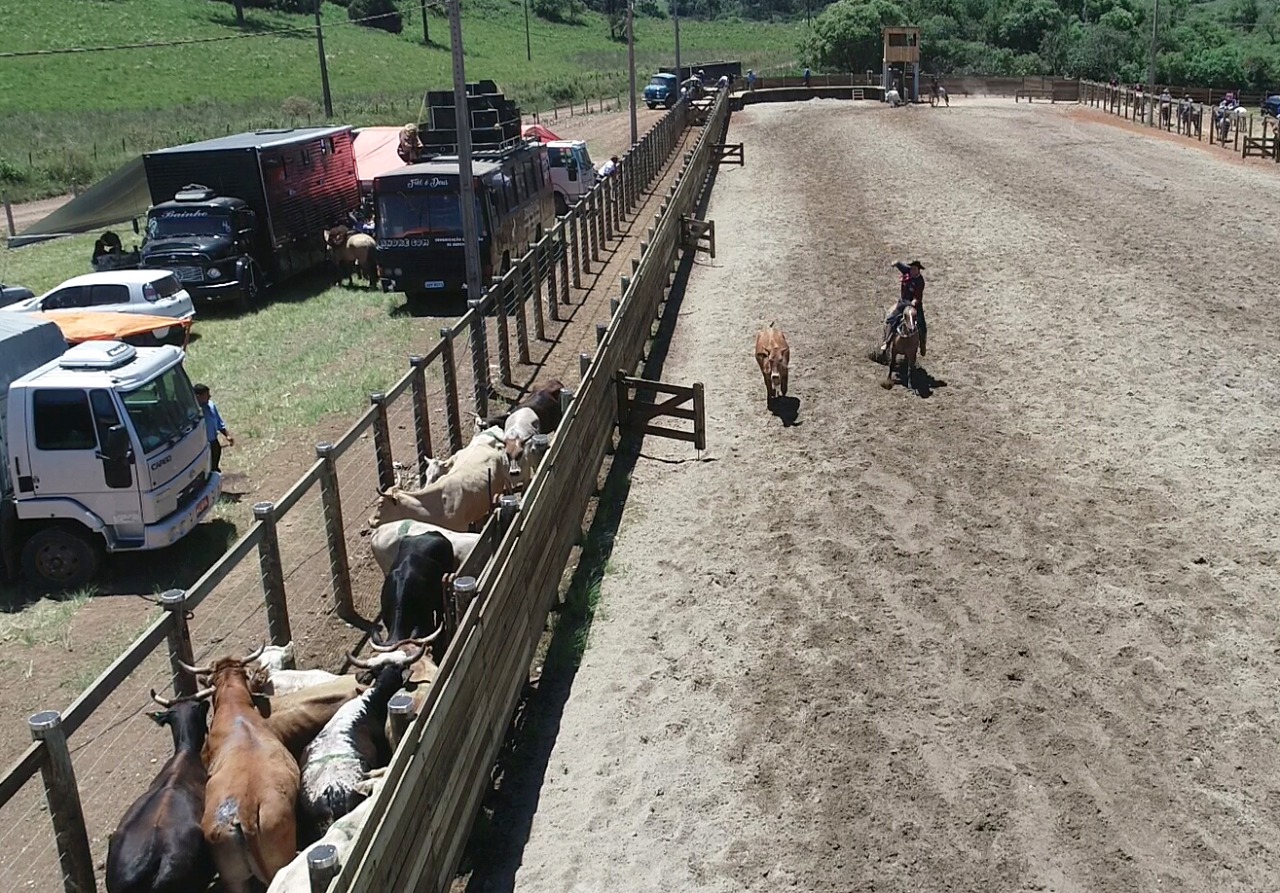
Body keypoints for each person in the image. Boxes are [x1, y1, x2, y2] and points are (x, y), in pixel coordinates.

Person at [881, 261, 927, 358]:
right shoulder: (907, 271)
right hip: (903, 302)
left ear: (919, 270)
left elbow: (918, 296)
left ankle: (922, 345)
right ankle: (887, 341)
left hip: (914, 305)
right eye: (912, 268)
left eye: (915, 269)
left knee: (922, 325)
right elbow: (899, 264)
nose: (912, 271)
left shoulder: (920, 281)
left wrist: (915, 301)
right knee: (891, 319)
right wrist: (895, 263)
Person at [194, 383, 234, 473]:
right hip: (203, 446)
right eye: (206, 395)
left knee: (215, 465)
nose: (209, 396)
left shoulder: (211, 405)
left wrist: (227, 435)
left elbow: (218, 421)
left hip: (214, 442)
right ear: (198, 396)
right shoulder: (195, 412)